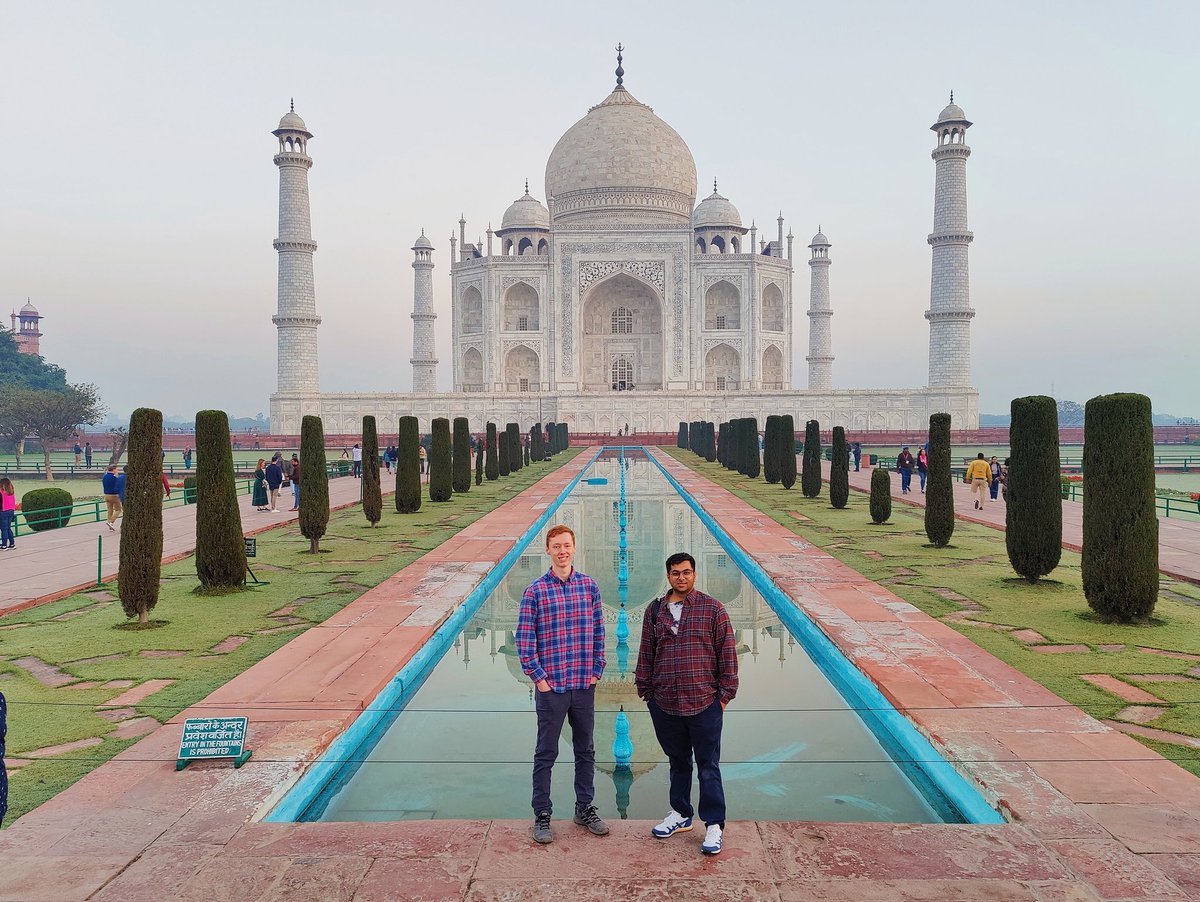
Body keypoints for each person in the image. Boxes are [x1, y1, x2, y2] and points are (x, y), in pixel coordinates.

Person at [636, 552, 738, 856]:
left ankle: (714, 824)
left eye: (687, 572)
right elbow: (646, 653)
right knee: (678, 762)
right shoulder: (655, 611)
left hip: (704, 702)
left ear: (694, 574)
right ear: (668, 576)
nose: (682, 577)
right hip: (666, 702)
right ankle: (680, 814)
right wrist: (647, 694)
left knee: (708, 765)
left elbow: (728, 656)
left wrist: (723, 697)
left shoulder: (713, 609)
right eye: (676, 573)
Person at [515, 524, 608, 845]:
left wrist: (597, 670)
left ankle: (585, 808)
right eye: (556, 546)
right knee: (546, 752)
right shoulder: (534, 591)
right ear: (549, 550)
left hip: (584, 684)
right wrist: (539, 680)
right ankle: (542, 814)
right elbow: (524, 643)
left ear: (574, 547)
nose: (562, 550)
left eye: (567, 545)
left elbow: (600, 632)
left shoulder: (589, 587)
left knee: (586, 750)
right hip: (552, 687)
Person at [102, 465, 122, 529]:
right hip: (114, 495)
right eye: (116, 469)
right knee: (118, 510)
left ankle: (110, 525)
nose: (117, 471)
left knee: (110, 510)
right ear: (113, 469)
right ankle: (111, 521)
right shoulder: (114, 478)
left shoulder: (104, 477)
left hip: (106, 495)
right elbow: (117, 485)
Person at [0, 478, 16, 550]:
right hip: (11, 511)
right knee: (8, 528)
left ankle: (4, 545)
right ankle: (12, 544)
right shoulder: (11, 492)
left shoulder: (1, 492)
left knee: (4, 529)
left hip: (3, 511)